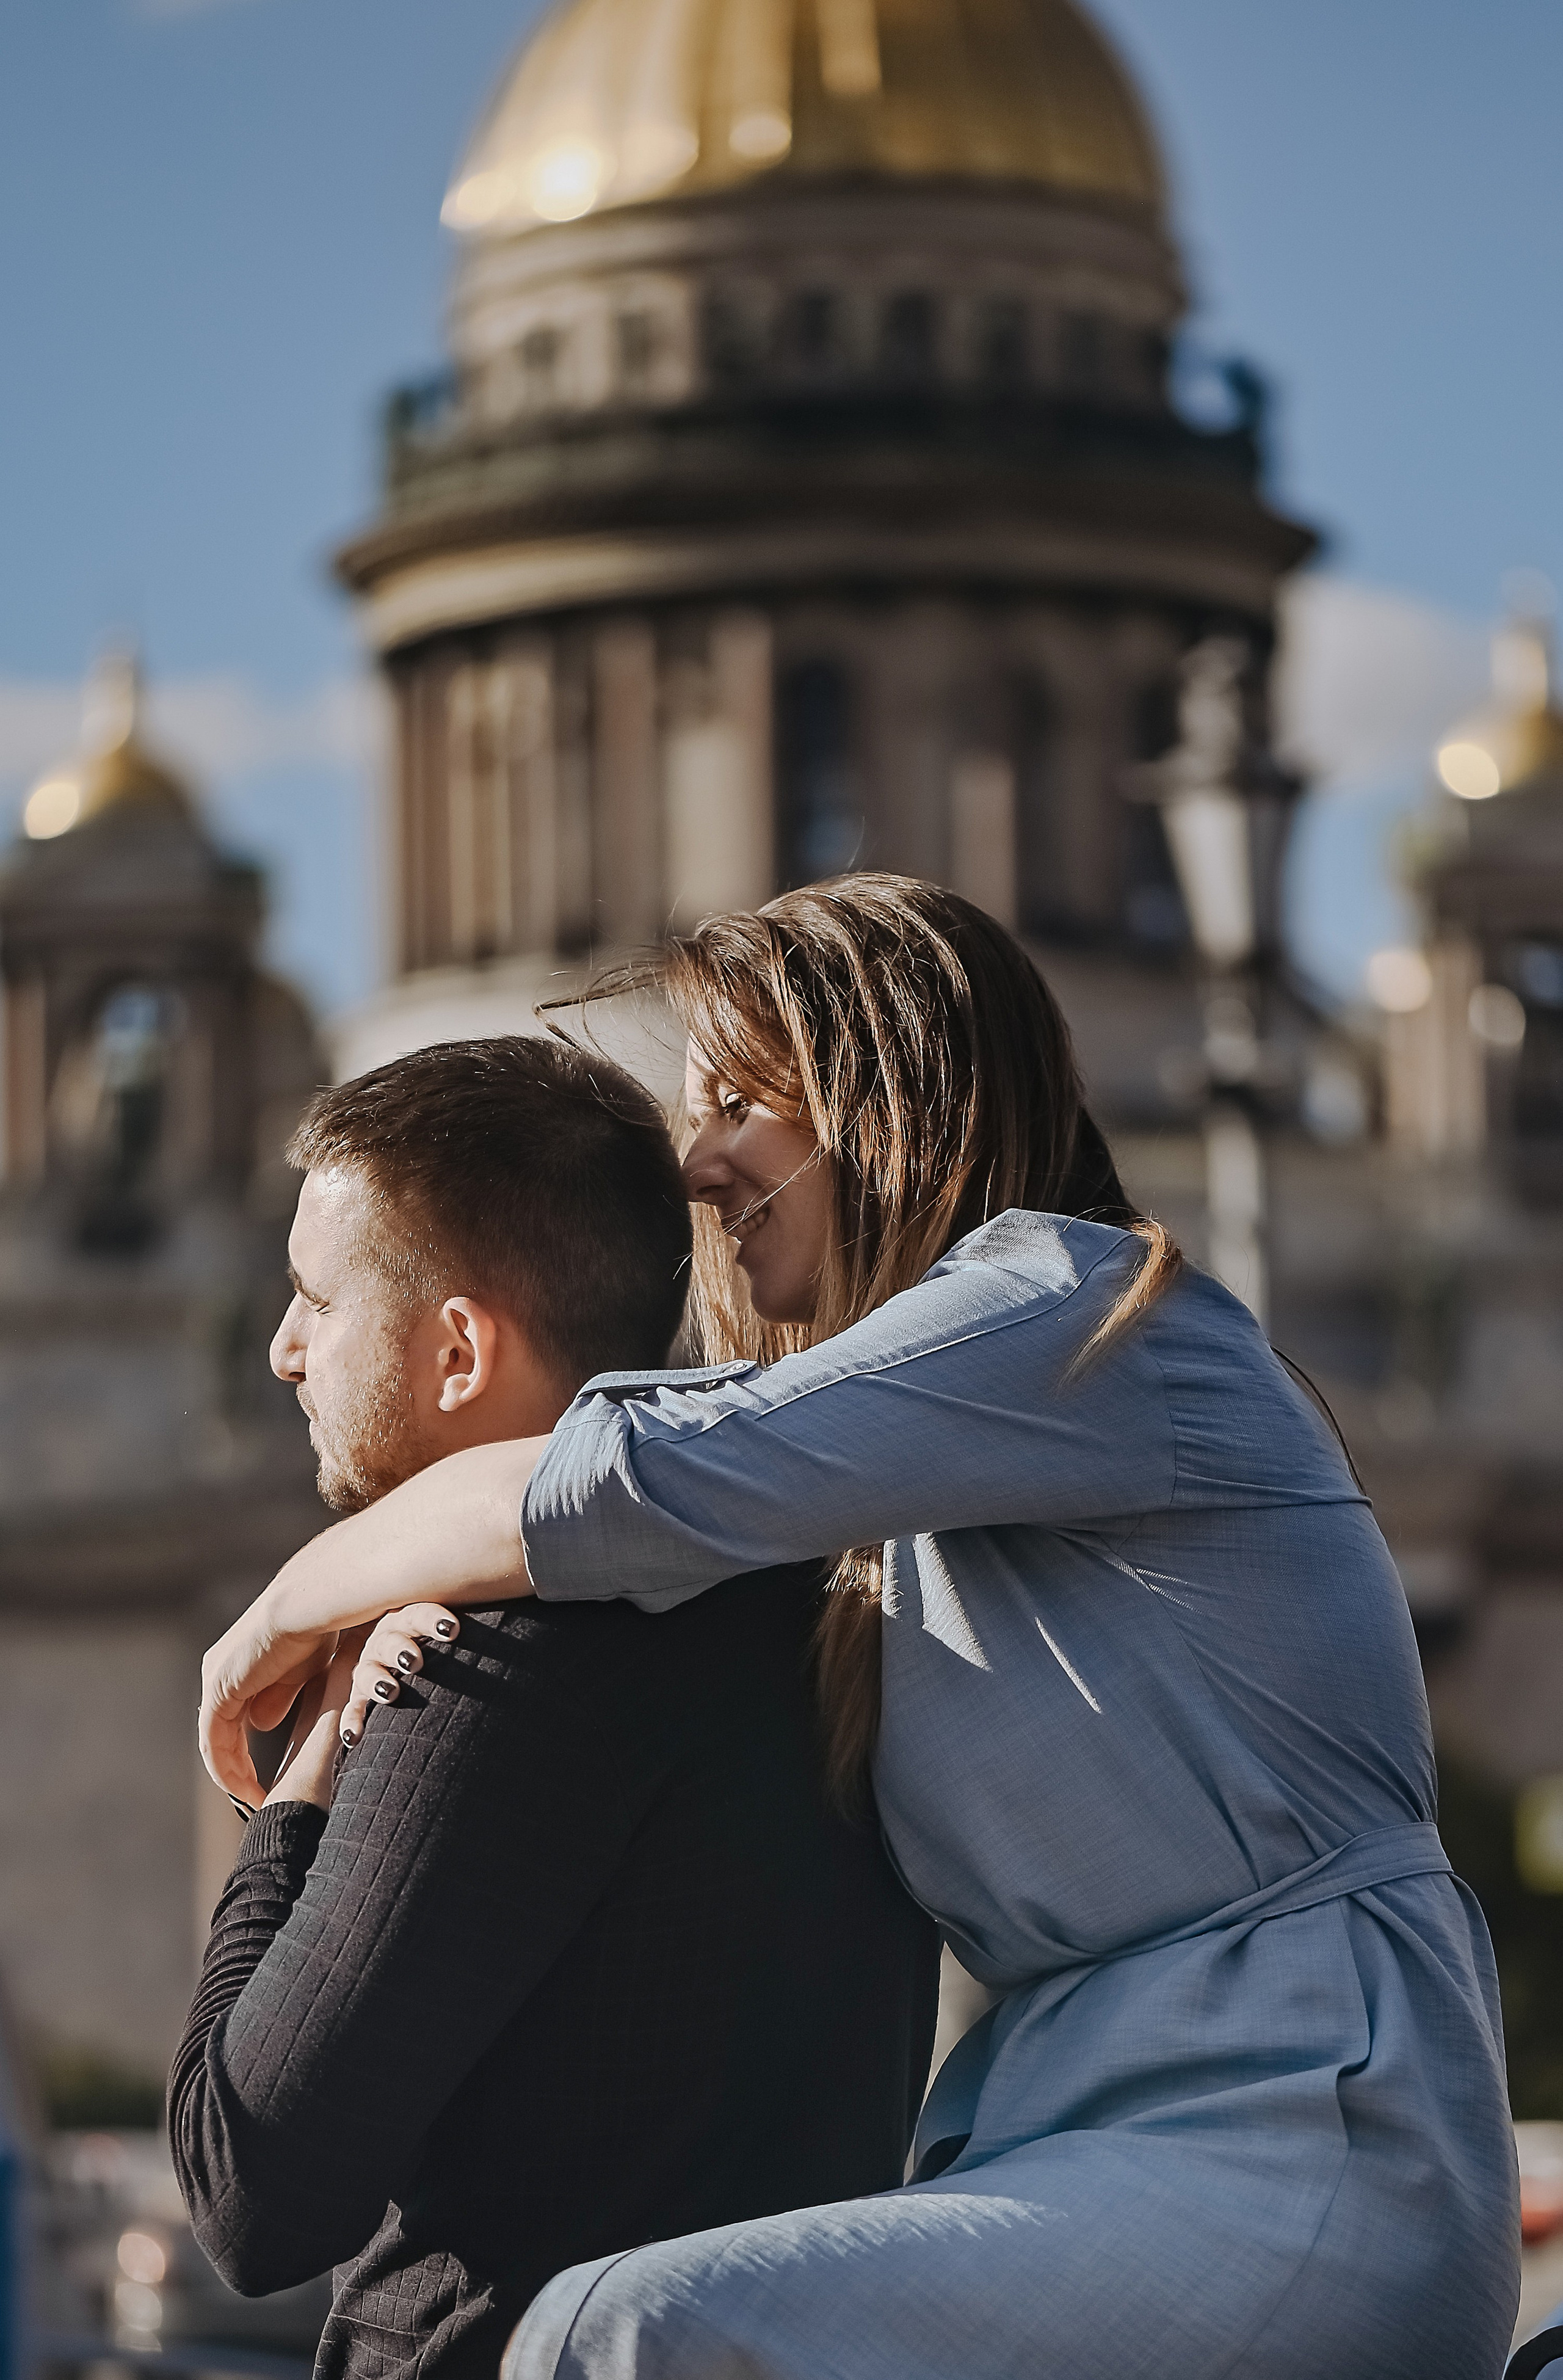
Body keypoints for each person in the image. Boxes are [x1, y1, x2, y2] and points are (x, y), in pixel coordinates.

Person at [200, 878, 1521, 2380]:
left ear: (883, 1097)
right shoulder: (902, 1496)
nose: (697, 1167)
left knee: (610, 2334)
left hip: (1305, 2142)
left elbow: (628, 1476)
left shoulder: (1077, 1306)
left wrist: (292, 1603)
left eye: (739, 1104)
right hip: (1094, 2142)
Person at [170, 1035, 939, 2380]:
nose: (287, 1350)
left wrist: (296, 1787)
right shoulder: (811, 1607)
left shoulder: (499, 1659)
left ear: (457, 1349)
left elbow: (247, 2181)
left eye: (313, 1299)